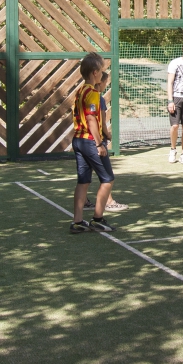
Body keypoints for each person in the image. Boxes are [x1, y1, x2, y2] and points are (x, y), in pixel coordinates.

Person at [70, 52, 115, 233]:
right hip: (89, 141)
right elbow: (90, 119)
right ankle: (98, 218)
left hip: (78, 140)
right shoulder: (93, 93)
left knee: (83, 181)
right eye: (102, 70)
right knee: (107, 179)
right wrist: (99, 143)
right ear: (95, 72)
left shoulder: (79, 91)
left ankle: (77, 221)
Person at [84, 71, 127, 213]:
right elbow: (100, 120)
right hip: (94, 141)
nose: (106, 85)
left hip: (82, 141)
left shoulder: (82, 93)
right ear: (99, 82)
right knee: (107, 177)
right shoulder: (98, 97)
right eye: (106, 82)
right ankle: (108, 202)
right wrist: (106, 135)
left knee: (85, 175)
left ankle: (83, 200)